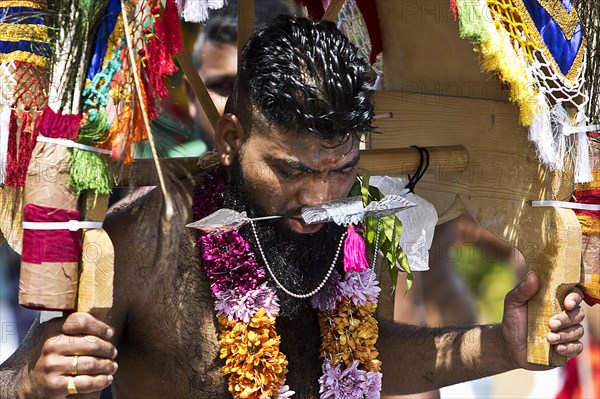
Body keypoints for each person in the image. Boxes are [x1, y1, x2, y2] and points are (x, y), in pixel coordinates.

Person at [0, 16, 586, 398]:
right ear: (231, 139)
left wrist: (501, 345)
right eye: (290, 170)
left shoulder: (348, 224)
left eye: (342, 170)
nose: (318, 200)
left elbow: (358, 361)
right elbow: (17, 376)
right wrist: (31, 381)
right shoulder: (145, 237)